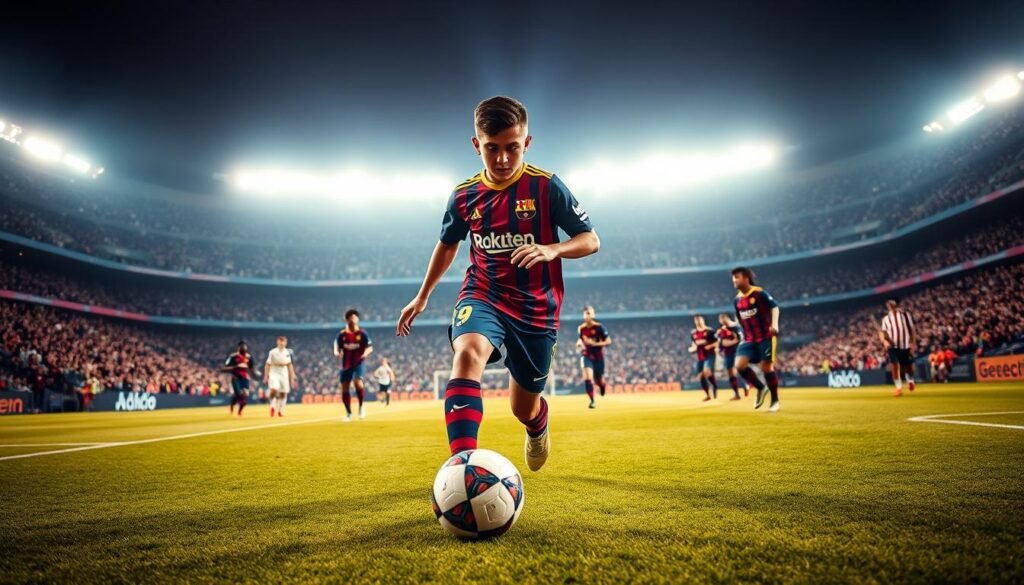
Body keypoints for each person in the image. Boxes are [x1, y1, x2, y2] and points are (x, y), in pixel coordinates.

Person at [396, 96, 600, 472]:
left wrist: (552, 249)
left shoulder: (547, 187)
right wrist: (422, 295)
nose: (503, 159)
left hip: (536, 307)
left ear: (527, 143)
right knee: (468, 353)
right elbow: (448, 244)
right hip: (483, 293)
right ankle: (462, 466)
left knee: (522, 406)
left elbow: (590, 239)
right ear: (477, 145)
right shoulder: (463, 195)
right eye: (492, 149)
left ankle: (537, 426)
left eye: (512, 148)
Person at [731, 267, 781, 412]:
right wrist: (741, 334)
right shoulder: (737, 300)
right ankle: (760, 388)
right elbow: (739, 318)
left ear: (746, 278)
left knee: (766, 367)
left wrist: (774, 324)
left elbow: (775, 307)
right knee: (739, 366)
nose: (734, 280)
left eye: (737, 277)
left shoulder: (759, 293)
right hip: (748, 339)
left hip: (765, 336)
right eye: (733, 278)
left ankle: (775, 401)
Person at [335, 309, 373, 421]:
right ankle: (348, 413)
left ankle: (361, 407)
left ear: (358, 319)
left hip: (358, 363)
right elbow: (337, 347)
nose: (353, 319)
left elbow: (370, 347)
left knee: (358, 383)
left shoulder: (362, 334)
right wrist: (337, 352)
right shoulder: (342, 335)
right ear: (347, 320)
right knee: (344, 388)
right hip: (346, 364)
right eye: (350, 317)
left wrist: (365, 353)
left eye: (354, 317)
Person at [576, 306, 611, 409]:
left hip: (598, 357)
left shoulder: (599, 327)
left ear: (593, 315)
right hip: (586, 355)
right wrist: (578, 344)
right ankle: (592, 401)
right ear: (583, 315)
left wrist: (595, 344)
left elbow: (609, 341)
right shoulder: (581, 329)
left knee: (598, 380)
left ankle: (602, 386)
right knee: (588, 378)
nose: (588, 315)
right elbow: (580, 340)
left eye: (589, 313)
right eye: (586, 313)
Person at [879, 298, 916, 396]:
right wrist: (884, 342)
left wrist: (913, 342)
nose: (890, 305)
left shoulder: (905, 315)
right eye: (888, 304)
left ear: (896, 305)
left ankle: (910, 380)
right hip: (893, 346)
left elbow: (912, 329)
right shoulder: (886, 319)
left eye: (892, 303)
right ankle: (898, 388)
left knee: (908, 367)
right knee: (894, 365)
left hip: (905, 345)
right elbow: (882, 333)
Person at [222, 340, 258, 417]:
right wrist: (236, 367)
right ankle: (231, 405)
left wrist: (255, 374)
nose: (244, 348)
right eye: (242, 346)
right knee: (238, 394)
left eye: (245, 346)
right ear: (238, 348)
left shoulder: (249, 357)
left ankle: (239, 411)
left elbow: (251, 367)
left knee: (245, 394)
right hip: (236, 377)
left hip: (245, 378)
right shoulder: (233, 356)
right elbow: (225, 367)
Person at [263, 336, 295, 418]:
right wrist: (266, 376)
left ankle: (280, 411)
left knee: (283, 393)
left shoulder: (287, 352)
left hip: (284, 374)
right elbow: (267, 364)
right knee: (274, 389)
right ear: (277, 342)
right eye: (280, 341)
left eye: (283, 341)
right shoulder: (272, 352)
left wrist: (292, 375)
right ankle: (272, 406)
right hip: (274, 373)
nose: (282, 343)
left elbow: (289, 364)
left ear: (286, 343)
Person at [689, 315, 719, 401]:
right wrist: (692, 349)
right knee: (700, 376)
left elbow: (718, 342)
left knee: (707, 371)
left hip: (710, 355)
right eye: (696, 320)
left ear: (703, 321)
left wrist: (710, 346)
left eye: (699, 320)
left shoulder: (710, 331)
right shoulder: (693, 333)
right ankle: (708, 395)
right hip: (700, 357)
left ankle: (714, 385)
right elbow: (694, 344)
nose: (698, 322)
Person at [716, 313, 745, 400]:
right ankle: (737, 393)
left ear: (726, 318)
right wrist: (721, 349)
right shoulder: (721, 331)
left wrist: (735, 342)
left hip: (738, 351)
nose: (722, 322)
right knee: (730, 373)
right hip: (728, 353)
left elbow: (740, 339)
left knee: (740, 369)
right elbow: (721, 343)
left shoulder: (735, 327)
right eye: (720, 320)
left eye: (723, 319)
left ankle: (746, 385)